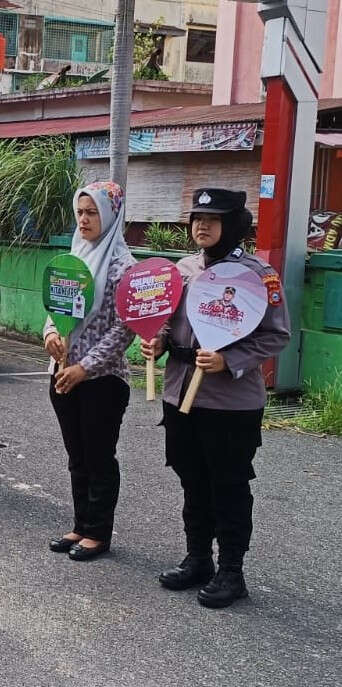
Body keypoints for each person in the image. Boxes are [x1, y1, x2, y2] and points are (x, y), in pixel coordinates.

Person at [142, 188, 290, 608]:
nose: (202, 226)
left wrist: (231, 360)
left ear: (235, 225)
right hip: (180, 392)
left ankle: (231, 572)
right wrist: (160, 343)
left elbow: (277, 335)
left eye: (213, 218)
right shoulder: (183, 269)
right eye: (196, 218)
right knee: (191, 478)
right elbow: (169, 321)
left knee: (228, 484)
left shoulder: (259, 276)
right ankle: (198, 559)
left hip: (230, 401)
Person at [43, 181, 136, 561]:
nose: (84, 219)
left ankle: (98, 532)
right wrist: (50, 334)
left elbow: (124, 329)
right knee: (76, 454)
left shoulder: (121, 266)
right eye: (80, 212)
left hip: (102, 380)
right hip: (62, 372)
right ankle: (81, 525)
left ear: (110, 215)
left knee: (99, 456)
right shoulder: (75, 253)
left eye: (92, 212)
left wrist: (85, 367)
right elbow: (56, 305)